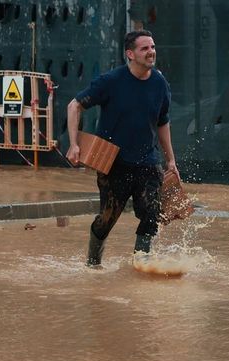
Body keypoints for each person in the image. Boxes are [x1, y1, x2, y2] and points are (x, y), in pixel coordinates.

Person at [66, 30, 178, 267]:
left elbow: (162, 122)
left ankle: (142, 265)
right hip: (113, 163)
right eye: (144, 48)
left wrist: (170, 161)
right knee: (106, 219)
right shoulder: (110, 81)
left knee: (151, 215)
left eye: (153, 47)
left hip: (149, 162)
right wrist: (74, 144)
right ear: (130, 54)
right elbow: (75, 105)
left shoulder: (160, 83)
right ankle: (93, 264)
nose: (151, 52)